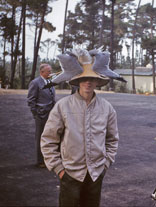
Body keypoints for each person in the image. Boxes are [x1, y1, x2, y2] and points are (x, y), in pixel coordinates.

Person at [41, 49, 125, 206]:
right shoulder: (63, 106)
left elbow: (112, 139)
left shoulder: (107, 108)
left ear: (98, 81)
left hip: (95, 175)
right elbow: (48, 140)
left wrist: (105, 164)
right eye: (84, 78)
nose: (88, 82)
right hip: (70, 174)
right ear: (77, 81)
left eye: (92, 79)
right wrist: (59, 169)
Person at [27, 63, 55, 168]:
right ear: (42, 72)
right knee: (40, 138)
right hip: (41, 115)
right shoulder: (35, 83)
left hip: (51, 115)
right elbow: (31, 100)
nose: (50, 73)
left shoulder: (50, 81)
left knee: (50, 137)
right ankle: (40, 161)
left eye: (50, 71)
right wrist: (36, 114)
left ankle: (48, 159)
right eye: (48, 71)